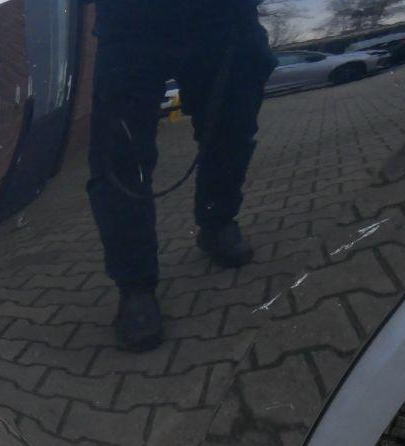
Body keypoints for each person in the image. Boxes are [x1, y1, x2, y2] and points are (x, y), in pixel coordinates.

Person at [87, 0, 276, 351]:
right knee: (120, 157)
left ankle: (217, 222)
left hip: (223, 16)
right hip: (130, 23)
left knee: (233, 126)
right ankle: (135, 283)